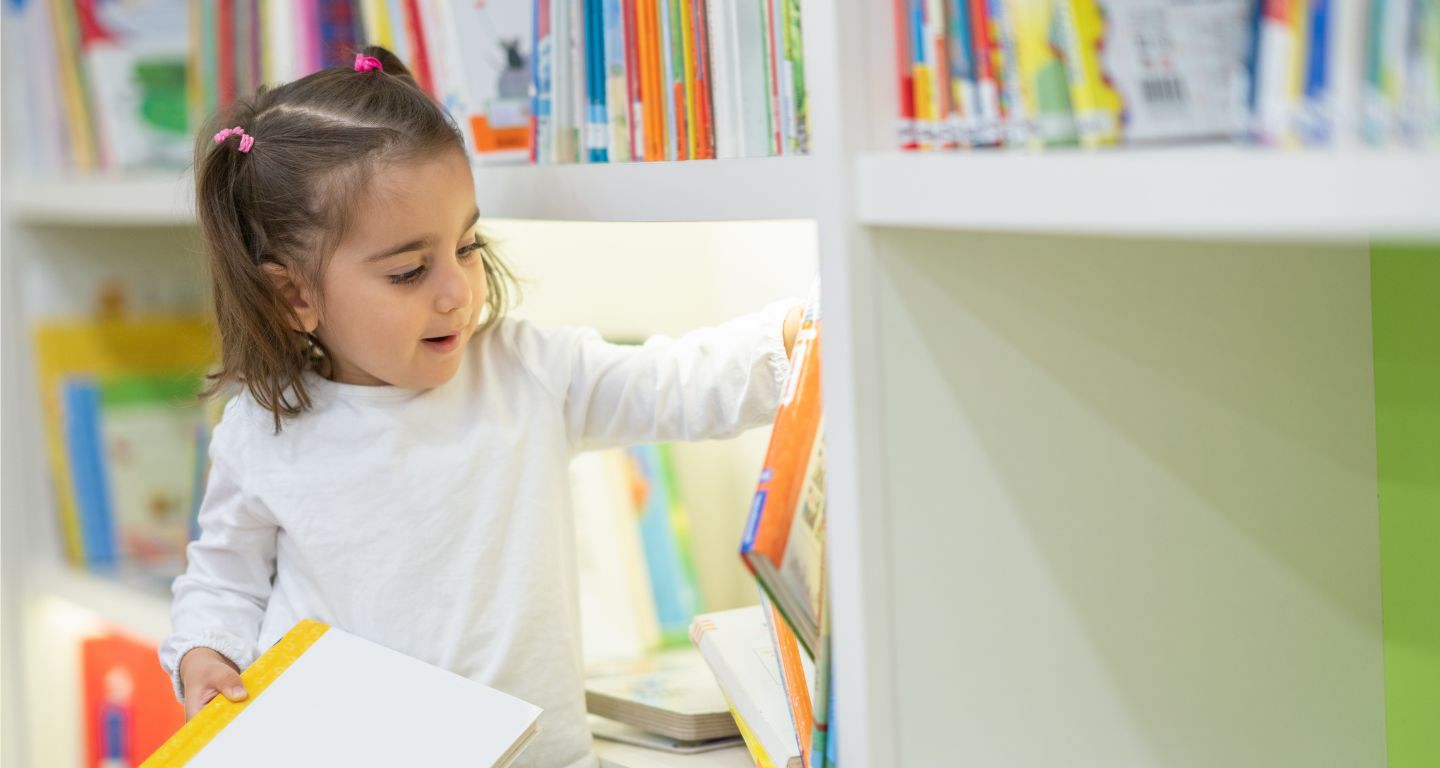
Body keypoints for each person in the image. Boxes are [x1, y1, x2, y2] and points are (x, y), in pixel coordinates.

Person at [158, 46, 802, 768]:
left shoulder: (527, 372)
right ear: (294, 297)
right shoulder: (263, 429)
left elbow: (677, 384)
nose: (456, 290)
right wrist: (205, 655)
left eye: (466, 245)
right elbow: (222, 580)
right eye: (409, 271)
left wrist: (792, 340)